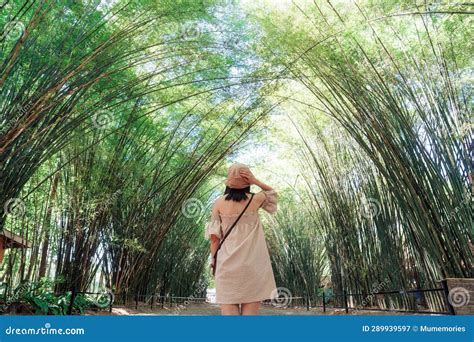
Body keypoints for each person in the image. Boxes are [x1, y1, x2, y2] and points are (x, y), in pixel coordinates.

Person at [205, 163, 278, 315]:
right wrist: (255, 180)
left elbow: (214, 238)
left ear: (229, 182)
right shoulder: (256, 199)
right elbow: (272, 193)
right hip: (253, 266)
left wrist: (214, 261)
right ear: (247, 182)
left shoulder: (218, 203)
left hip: (227, 265)